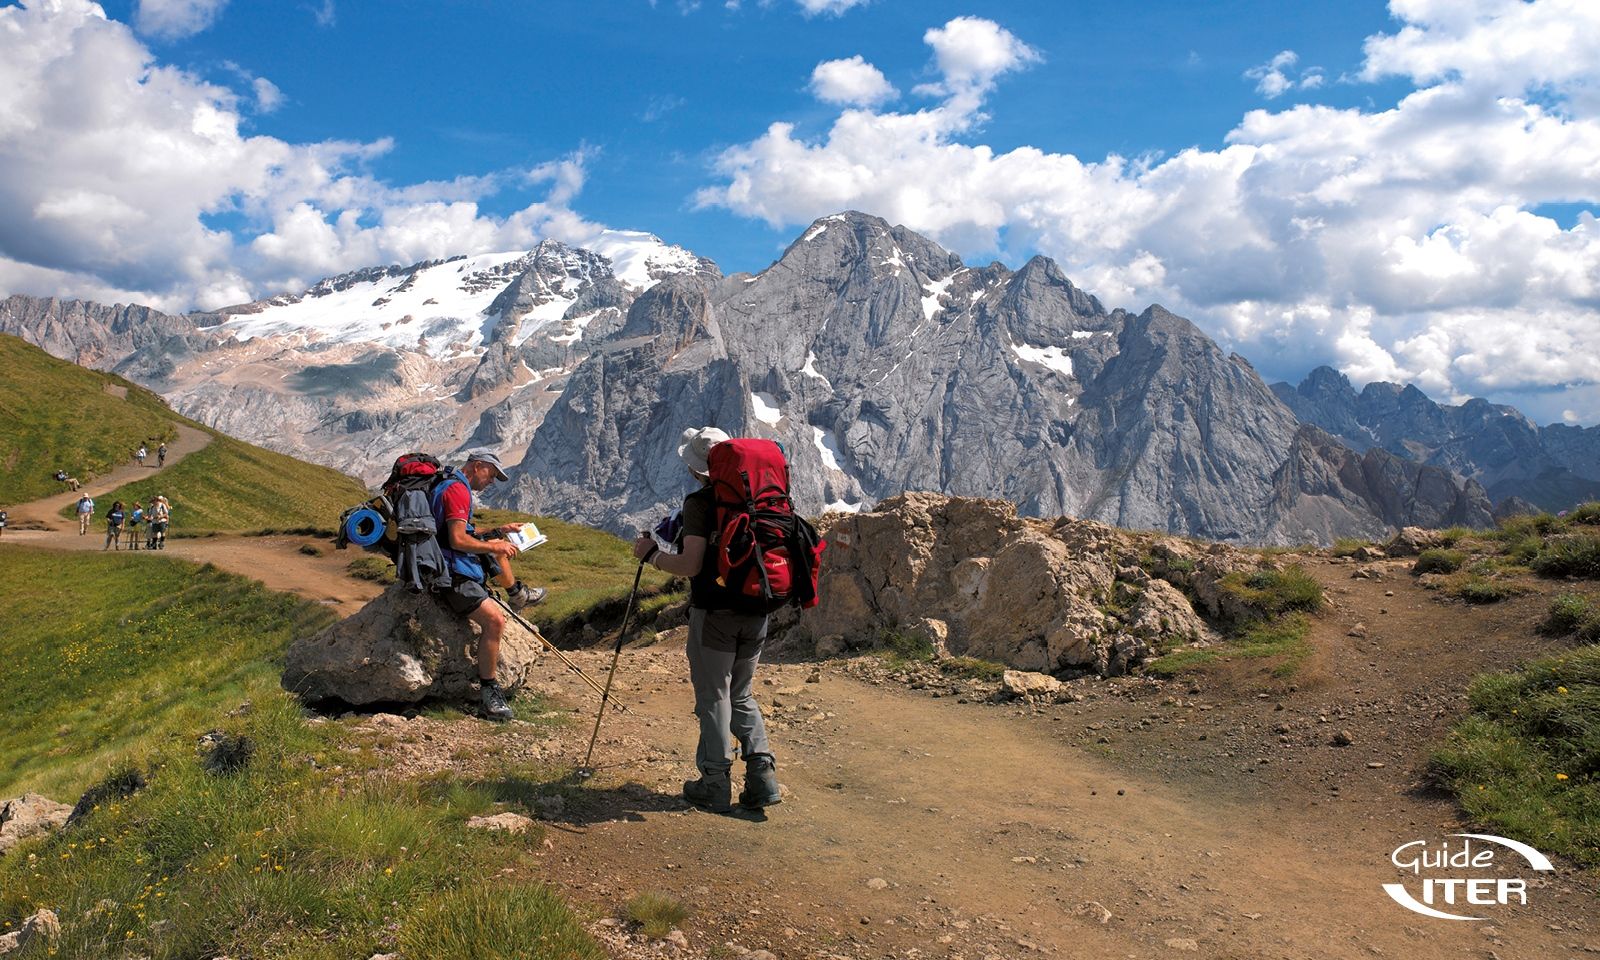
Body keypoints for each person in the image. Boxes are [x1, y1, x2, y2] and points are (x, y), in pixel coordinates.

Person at [632, 427, 783, 813]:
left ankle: (714, 782)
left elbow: (690, 565)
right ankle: (763, 777)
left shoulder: (701, 502)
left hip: (715, 612)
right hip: (759, 609)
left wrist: (650, 554)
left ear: (698, 468)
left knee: (715, 695)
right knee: (741, 693)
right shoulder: (766, 497)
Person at [430, 451, 546, 721]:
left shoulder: (450, 483)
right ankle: (490, 693)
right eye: (491, 475)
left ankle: (517, 593)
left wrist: (499, 531)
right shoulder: (457, 490)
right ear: (477, 466)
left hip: (447, 563)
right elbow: (458, 540)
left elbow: (461, 532)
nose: (491, 481)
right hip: (450, 574)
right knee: (494, 621)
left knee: (495, 546)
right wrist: (495, 546)